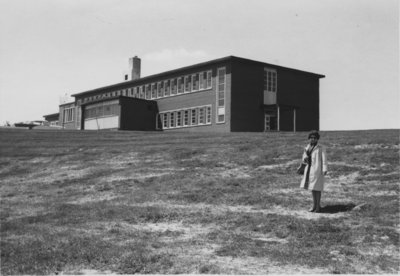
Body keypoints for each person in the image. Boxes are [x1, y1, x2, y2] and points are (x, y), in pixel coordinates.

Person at [300, 130, 328, 212]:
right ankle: (314, 205)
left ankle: (318, 206)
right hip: (310, 170)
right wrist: (305, 159)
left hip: (318, 170)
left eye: (314, 138)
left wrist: (324, 169)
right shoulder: (307, 147)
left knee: (317, 188)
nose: (312, 139)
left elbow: (324, 159)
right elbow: (303, 157)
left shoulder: (321, 148)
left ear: (317, 139)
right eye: (311, 138)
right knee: (312, 188)